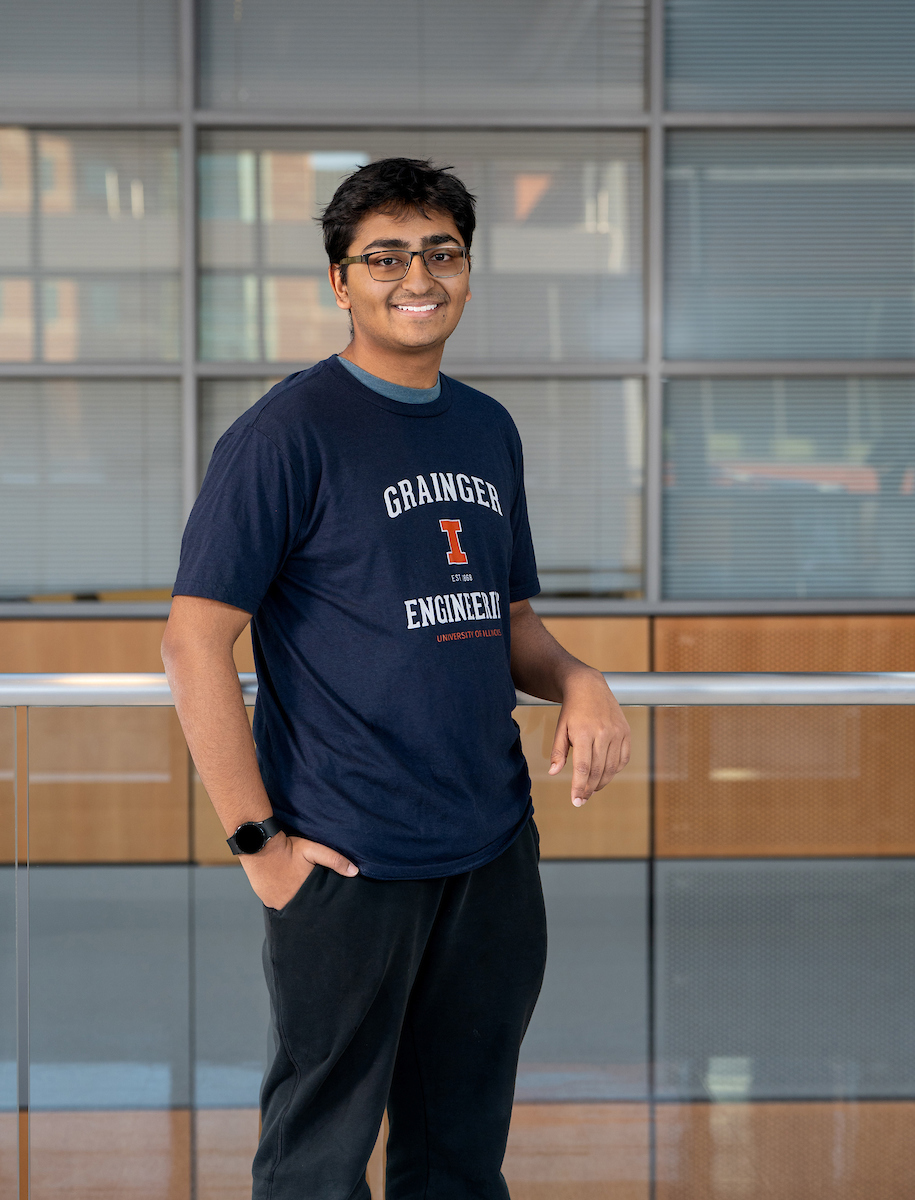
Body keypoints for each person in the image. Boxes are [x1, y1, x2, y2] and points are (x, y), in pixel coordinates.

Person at [162, 157, 631, 1200]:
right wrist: (258, 846)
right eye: (385, 256)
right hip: (347, 858)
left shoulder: (485, 427)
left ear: (466, 271)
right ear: (341, 282)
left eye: (441, 253)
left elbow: (507, 621)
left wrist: (581, 676)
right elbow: (194, 642)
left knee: (461, 1155)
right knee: (319, 1162)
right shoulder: (286, 434)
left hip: (492, 852)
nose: (416, 275)